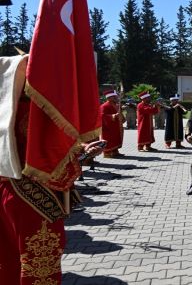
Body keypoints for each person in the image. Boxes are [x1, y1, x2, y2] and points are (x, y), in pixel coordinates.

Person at [1, 55, 104, 285]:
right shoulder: (34, 111)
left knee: (8, 260)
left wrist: (81, 147)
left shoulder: (7, 107)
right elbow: (52, 155)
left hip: (6, 187)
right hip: (30, 195)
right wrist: (83, 153)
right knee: (38, 266)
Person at [100, 90, 125, 158]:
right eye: (114, 97)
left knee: (116, 138)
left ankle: (115, 151)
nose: (116, 98)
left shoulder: (116, 105)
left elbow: (119, 114)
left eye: (116, 97)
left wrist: (122, 117)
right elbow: (102, 116)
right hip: (108, 127)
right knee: (109, 139)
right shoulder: (104, 106)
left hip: (115, 126)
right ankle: (107, 153)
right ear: (109, 97)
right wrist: (113, 116)